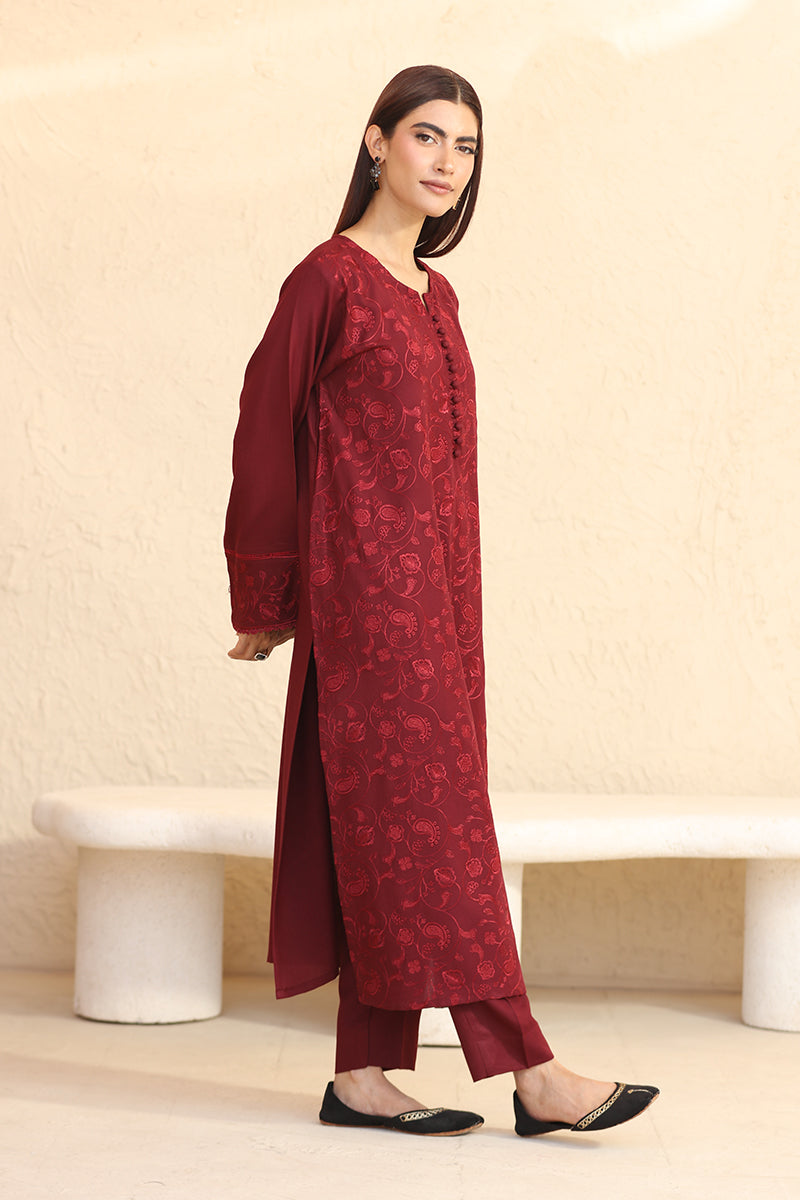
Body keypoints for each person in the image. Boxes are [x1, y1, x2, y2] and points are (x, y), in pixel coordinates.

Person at [224, 64, 659, 1138]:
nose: (445, 162)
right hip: (366, 603)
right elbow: (262, 432)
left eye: (464, 147)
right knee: (438, 832)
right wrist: (265, 592)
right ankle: (529, 1070)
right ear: (374, 143)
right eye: (426, 137)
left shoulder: (435, 292)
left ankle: (362, 1076)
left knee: (394, 833)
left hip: (444, 608)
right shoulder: (324, 280)